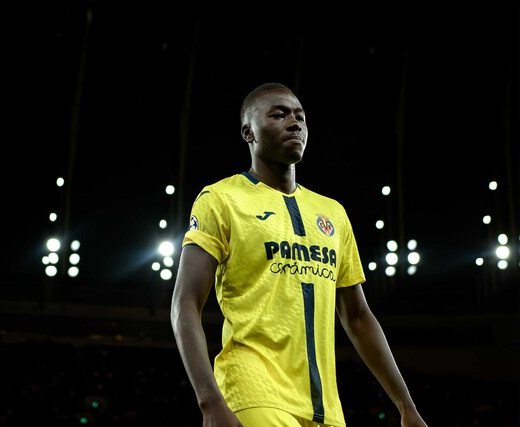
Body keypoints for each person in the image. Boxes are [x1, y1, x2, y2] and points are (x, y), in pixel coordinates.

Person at [170, 82, 428, 427]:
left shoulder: (332, 213)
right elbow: (185, 302)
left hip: (326, 409)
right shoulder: (220, 199)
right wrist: (210, 401)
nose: (295, 123)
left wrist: (407, 407)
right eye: (279, 115)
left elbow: (358, 317)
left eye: (300, 117)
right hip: (253, 391)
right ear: (249, 132)